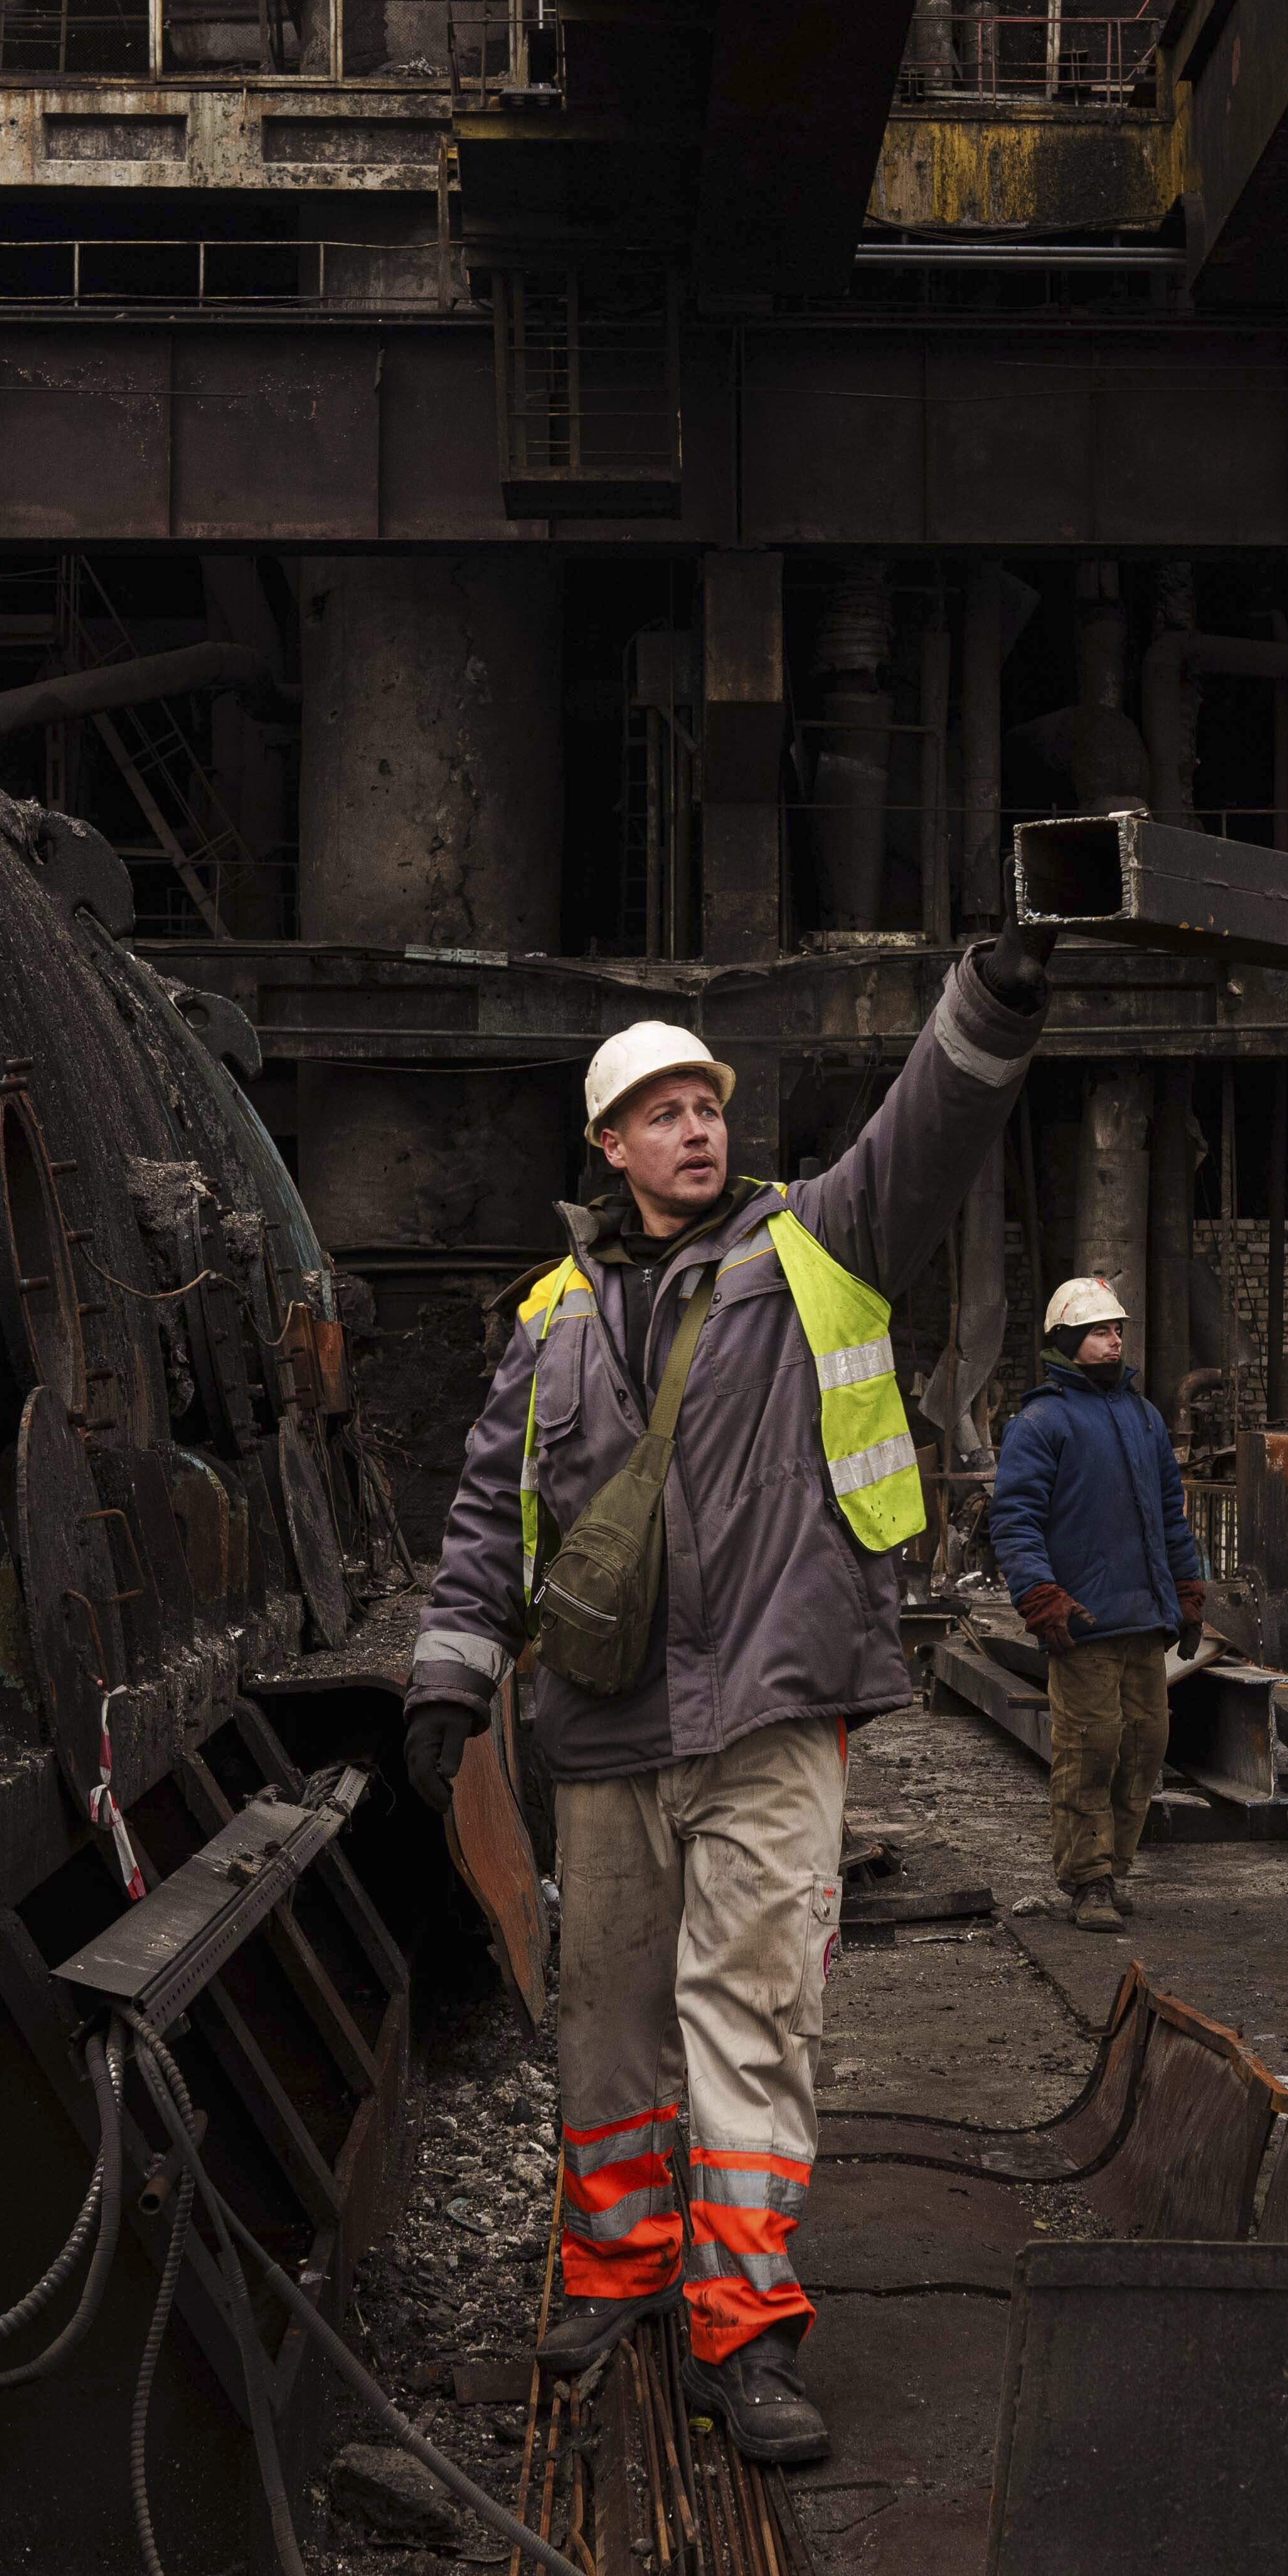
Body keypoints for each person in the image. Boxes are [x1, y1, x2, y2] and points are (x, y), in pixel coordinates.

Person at [399, 934, 1048, 2470]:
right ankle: (616, 2280)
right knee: (607, 2024)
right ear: (609, 1145)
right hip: (606, 1730)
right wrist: (448, 1674)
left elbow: (928, 1130)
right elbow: (488, 1518)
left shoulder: (816, 1246)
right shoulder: (550, 1318)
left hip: (767, 1707)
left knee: (752, 2024)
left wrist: (992, 1006)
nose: (698, 1127)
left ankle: (743, 2334)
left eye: (710, 1103)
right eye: (664, 1110)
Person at [987, 1275, 1208, 1936]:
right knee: (1090, 1748)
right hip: (1081, 1622)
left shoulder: (1140, 1416)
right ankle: (1087, 1879)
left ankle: (1112, 1865)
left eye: (1117, 1328)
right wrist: (1038, 1594)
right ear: (1066, 1340)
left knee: (1145, 1743)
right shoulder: (1040, 1422)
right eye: (1100, 1329)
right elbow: (1015, 1520)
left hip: (1143, 1617)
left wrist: (1188, 1588)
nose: (1115, 1337)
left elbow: (1169, 1514)